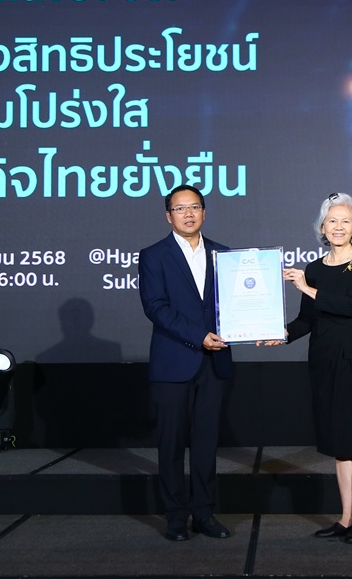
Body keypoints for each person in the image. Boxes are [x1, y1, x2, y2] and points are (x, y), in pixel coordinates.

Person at [282, 192, 352, 544]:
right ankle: (345, 518)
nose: (338, 227)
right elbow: (306, 320)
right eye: (332, 221)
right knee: (340, 442)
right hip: (324, 357)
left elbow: (351, 306)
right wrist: (279, 334)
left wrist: (307, 288)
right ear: (322, 227)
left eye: (345, 221)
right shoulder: (313, 268)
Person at [138, 185, 233, 542]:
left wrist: (252, 327)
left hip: (214, 363)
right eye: (180, 209)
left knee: (206, 444)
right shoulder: (154, 255)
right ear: (169, 216)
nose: (188, 214)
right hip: (173, 364)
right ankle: (176, 517)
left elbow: (235, 304)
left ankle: (204, 514)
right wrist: (199, 336)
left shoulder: (224, 255)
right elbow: (155, 307)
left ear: (204, 212)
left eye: (194, 207)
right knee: (171, 445)